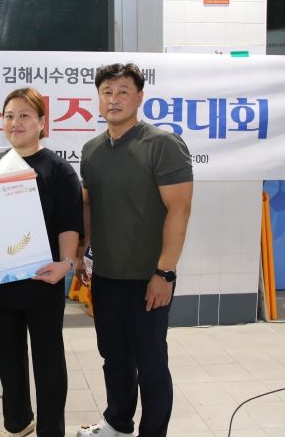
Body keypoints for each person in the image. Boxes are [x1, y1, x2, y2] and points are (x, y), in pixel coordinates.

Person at [77, 63, 193, 437]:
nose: (114, 99)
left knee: (151, 364)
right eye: (107, 92)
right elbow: (89, 205)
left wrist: (165, 272)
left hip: (148, 278)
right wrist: (80, 253)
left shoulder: (162, 145)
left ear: (139, 97)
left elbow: (180, 209)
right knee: (114, 358)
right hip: (106, 276)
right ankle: (117, 422)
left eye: (123, 92)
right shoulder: (91, 150)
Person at [0, 87, 83, 437]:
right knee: (8, 359)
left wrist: (66, 264)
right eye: (9, 116)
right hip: (1, 283)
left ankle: (51, 430)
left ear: (41, 123)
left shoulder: (58, 169)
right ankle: (17, 424)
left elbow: (69, 223)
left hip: (43, 281)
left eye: (24, 115)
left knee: (48, 362)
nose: (15, 122)